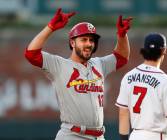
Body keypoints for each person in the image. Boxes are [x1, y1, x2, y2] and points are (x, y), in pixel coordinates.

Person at [24, 8, 132, 140]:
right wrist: (50, 27)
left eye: (91, 40)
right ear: (72, 42)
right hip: (72, 135)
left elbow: (122, 57)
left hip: (99, 136)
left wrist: (122, 35)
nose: (89, 44)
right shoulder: (59, 65)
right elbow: (31, 54)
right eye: (84, 39)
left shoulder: (99, 64)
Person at [115, 33, 167, 140]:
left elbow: (123, 113)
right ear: (164, 51)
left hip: (135, 135)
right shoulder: (165, 80)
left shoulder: (128, 77)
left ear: (144, 51)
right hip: (156, 136)